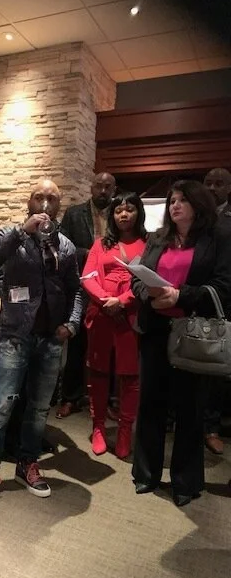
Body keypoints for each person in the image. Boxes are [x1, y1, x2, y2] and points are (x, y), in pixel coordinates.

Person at [0, 180, 83, 511]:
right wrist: (22, 231)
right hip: (14, 336)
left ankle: (27, 463)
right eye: (40, 197)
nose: (46, 203)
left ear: (59, 206)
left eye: (52, 198)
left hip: (51, 339)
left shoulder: (66, 246)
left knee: (38, 408)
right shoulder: (13, 234)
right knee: (1, 405)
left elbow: (76, 289)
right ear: (29, 202)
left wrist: (72, 324)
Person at [131, 180, 231, 507]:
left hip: (193, 332)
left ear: (198, 205)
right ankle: (146, 474)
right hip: (155, 330)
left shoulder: (218, 238)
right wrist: (148, 294)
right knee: (150, 405)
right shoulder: (158, 238)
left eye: (182, 200)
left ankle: (186, 482)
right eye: (172, 200)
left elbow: (224, 287)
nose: (174, 205)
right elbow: (137, 278)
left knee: (190, 408)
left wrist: (180, 296)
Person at [81, 193, 147, 458]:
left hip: (131, 316)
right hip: (101, 314)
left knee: (130, 376)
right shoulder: (100, 244)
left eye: (129, 209)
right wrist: (106, 301)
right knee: (98, 372)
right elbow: (87, 276)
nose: (123, 214)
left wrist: (122, 301)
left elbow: (150, 280)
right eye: (118, 210)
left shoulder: (149, 244)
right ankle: (98, 427)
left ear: (138, 212)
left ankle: (124, 430)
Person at [56, 172, 116, 418]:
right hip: (80, 285)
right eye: (98, 186)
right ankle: (70, 398)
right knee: (77, 344)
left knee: (108, 347)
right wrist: (90, 254)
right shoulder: (74, 214)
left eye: (107, 187)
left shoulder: (119, 214)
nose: (102, 191)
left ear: (114, 190)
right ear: (91, 187)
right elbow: (62, 245)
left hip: (110, 288)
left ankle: (107, 400)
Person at [200, 167, 231, 454]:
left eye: (219, 183)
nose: (212, 188)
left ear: (228, 188)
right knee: (184, 358)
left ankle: (211, 426)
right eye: (208, 182)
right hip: (193, 301)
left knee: (216, 369)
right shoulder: (194, 217)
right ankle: (176, 418)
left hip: (223, 303)